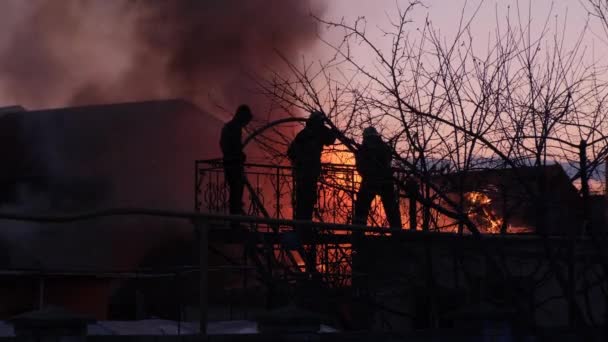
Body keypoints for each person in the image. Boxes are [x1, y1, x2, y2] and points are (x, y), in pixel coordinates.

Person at [288, 111, 337, 221]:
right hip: (309, 172)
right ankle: (305, 226)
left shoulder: (303, 133)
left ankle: (301, 226)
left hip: (302, 172)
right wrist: (332, 128)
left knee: (302, 201)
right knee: (307, 200)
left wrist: (298, 163)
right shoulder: (318, 131)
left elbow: (290, 152)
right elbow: (331, 139)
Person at [353, 126, 402, 230]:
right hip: (382, 181)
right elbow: (361, 167)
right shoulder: (384, 148)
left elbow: (360, 168)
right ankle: (398, 235)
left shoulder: (365, 150)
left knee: (362, 207)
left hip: (374, 182)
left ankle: (358, 233)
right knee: (391, 209)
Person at [220, 104, 252, 216]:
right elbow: (233, 147)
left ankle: (236, 214)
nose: (245, 124)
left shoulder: (230, 127)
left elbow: (227, 146)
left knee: (236, 191)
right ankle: (236, 218)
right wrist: (240, 155)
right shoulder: (234, 128)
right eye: (246, 121)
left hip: (230, 163)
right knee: (236, 191)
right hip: (233, 165)